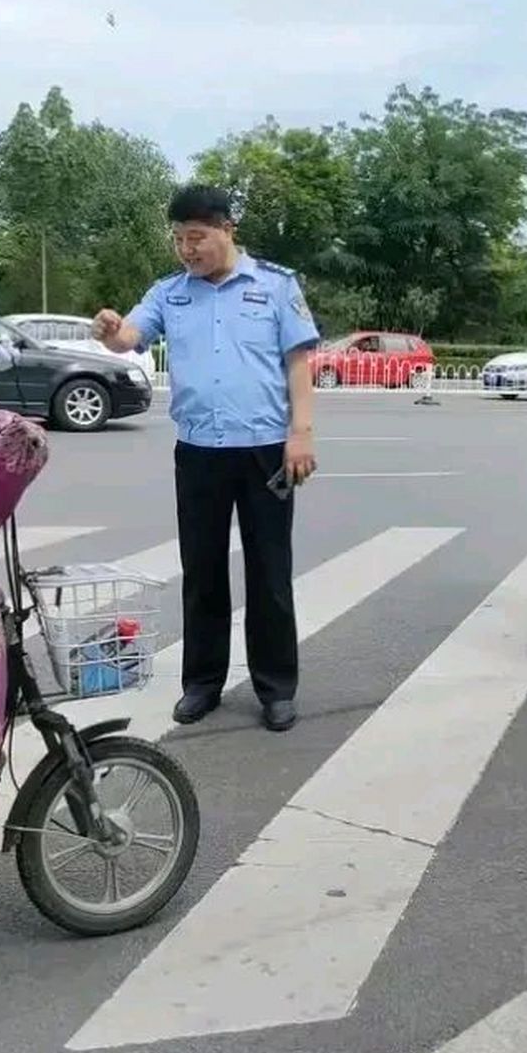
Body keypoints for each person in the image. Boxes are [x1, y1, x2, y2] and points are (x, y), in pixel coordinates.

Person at [91, 184, 318, 733]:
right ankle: (203, 684)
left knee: (269, 572)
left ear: (226, 229)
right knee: (203, 571)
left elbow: (298, 360)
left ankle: (276, 687)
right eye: (179, 240)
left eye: (197, 237)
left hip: (265, 449)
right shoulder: (171, 293)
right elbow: (130, 337)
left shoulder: (275, 286)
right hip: (198, 453)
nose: (188, 250)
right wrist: (112, 332)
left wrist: (301, 433)